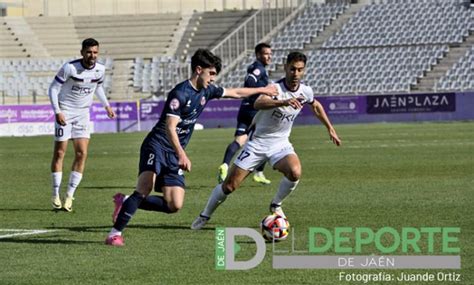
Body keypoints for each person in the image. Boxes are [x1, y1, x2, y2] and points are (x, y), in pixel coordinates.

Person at [105, 49, 278, 246]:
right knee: (144, 187)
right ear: (198, 70)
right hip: (157, 146)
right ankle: (114, 234)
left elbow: (236, 92)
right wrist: (182, 154)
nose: (213, 78)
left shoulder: (207, 91)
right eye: (211, 73)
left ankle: (126, 201)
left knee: (174, 205)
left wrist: (262, 90)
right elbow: (170, 127)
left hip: (174, 152)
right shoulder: (180, 93)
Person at [191, 51, 342, 230]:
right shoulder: (275, 89)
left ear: (304, 71)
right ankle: (204, 215)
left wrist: (330, 128)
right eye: (292, 69)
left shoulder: (305, 91)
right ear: (286, 68)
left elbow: (315, 105)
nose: (295, 74)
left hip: (281, 144)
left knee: (295, 172)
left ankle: (276, 205)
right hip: (257, 144)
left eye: (300, 70)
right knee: (229, 186)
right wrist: (283, 102)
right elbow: (258, 103)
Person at [48, 38, 115, 212]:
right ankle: (55, 193)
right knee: (60, 152)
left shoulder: (100, 69)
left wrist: (106, 105)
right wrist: (57, 111)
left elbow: (98, 87)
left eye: (95, 52)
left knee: (82, 153)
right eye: (89, 52)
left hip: (83, 114)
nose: (92, 55)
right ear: (82, 52)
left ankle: (69, 196)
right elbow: (53, 89)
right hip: (65, 112)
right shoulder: (70, 68)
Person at [217, 43, 273, 185]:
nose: (269, 56)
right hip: (254, 110)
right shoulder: (258, 68)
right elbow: (250, 81)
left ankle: (225, 164)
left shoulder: (256, 67)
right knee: (266, 139)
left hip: (245, 108)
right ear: (258, 55)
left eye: (270, 53)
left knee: (240, 140)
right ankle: (258, 172)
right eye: (266, 53)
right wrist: (263, 90)